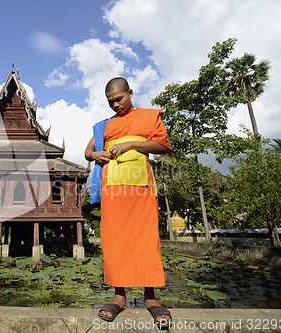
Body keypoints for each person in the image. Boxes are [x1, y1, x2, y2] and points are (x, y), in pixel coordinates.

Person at [84, 77, 172, 330]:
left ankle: (150, 297)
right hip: (112, 188)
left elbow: (163, 145)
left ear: (130, 93)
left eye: (119, 99)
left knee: (145, 238)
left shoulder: (148, 117)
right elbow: (87, 152)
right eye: (111, 102)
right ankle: (119, 296)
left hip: (140, 185)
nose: (115, 105)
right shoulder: (105, 125)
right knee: (115, 240)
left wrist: (132, 143)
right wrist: (95, 154)